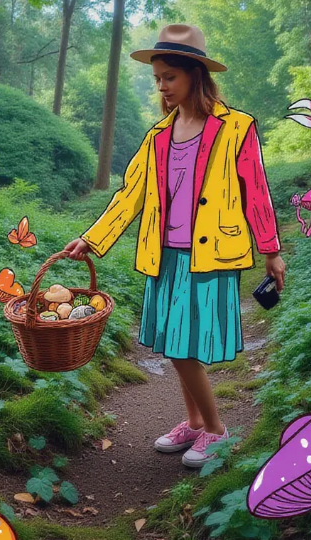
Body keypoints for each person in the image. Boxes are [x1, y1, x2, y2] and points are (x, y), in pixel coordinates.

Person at [64, 23, 285, 468]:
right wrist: (92, 238)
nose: (162, 86)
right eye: (158, 78)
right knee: (173, 342)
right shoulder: (158, 136)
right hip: (165, 253)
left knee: (186, 348)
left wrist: (271, 249)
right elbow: (131, 195)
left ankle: (218, 430)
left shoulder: (236, 127)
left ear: (194, 76)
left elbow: (255, 191)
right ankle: (195, 424)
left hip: (213, 253)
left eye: (170, 77)